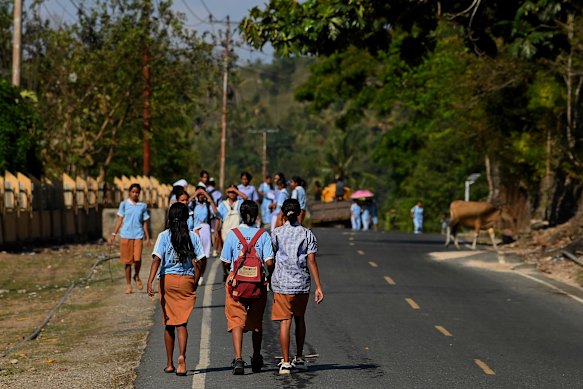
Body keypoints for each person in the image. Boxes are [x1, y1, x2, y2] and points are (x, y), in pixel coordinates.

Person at [147, 202, 206, 376]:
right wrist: (196, 279)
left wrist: (150, 281)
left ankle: (169, 363)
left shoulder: (164, 236)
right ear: (187, 218)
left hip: (168, 281)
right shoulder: (192, 236)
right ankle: (182, 357)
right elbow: (201, 260)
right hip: (186, 279)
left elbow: (157, 259)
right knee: (182, 323)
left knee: (168, 323)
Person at [269, 199, 324, 374]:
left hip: (282, 284)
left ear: (284, 214)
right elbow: (312, 261)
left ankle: (285, 362)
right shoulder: (307, 234)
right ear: (300, 213)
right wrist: (319, 287)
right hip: (301, 284)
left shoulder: (276, 233)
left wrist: (269, 277)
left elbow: (271, 257)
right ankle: (299, 358)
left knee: (285, 322)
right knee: (300, 319)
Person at [220, 200, 274, 375]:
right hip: (258, 285)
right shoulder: (263, 235)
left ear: (240, 215)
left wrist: (228, 274)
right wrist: (269, 275)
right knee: (256, 321)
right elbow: (269, 261)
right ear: (257, 215)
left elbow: (225, 261)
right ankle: (257, 356)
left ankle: (238, 359)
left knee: (236, 319)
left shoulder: (233, 234)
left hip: (237, 285)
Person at [109, 183, 151, 294]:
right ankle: (128, 285)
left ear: (139, 193)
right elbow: (120, 220)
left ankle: (136, 276)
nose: (135, 194)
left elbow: (145, 222)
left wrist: (147, 237)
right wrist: (114, 234)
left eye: (137, 192)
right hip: (126, 235)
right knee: (127, 262)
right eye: (133, 192)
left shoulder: (143, 206)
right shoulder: (124, 204)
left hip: (138, 235)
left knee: (137, 259)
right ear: (129, 192)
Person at [189, 186, 219, 260]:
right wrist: (196, 193)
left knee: (205, 252)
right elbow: (185, 204)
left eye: (202, 194)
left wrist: (206, 194)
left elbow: (215, 211)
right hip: (195, 227)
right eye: (199, 194)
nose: (201, 196)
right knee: (196, 249)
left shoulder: (207, 205)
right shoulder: (193, 204)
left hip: (205, 226)